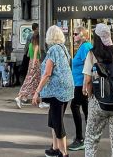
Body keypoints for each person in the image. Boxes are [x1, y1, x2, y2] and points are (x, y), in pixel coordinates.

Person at [83, 23, 113, 157]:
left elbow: (87, 81)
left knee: (91, 137)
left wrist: (89, 95)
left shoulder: (92, 54)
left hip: (98, 102)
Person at [33, 26, 74, 157]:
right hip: (66, 88)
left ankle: (63, 152)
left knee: (57, 121)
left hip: (57, 91)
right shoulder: (63, 48)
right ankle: (55, 148)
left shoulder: (53, 50)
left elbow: (47, 73)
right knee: (53, 119)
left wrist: (37, 91)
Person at [67, 27, 92, 152]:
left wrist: (84, 85)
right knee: (86, 110)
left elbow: (89, 66)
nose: (73, 36)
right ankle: (88, 139)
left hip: (81, 84)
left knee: (75, 106)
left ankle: (80, 139)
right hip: (78, 83)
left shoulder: (85, 47)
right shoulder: (82, 47)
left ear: (82, 35)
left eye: (75, 34)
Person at [16, 29, 42, 109]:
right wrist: (34, 65)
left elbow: (29, 55)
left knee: (31, 81)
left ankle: (35, 98)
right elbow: (35, 56)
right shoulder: (37, 46)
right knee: (33, 82)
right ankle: (21, 96)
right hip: (36, 64)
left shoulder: (30, 45)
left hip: (30, 63)